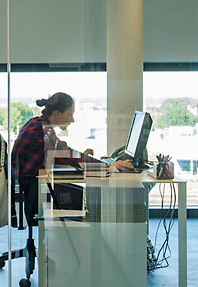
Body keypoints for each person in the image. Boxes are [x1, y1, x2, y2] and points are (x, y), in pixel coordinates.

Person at [11, 92, 132, 226]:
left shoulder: (36, 123)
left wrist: (81, 159)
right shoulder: (43, 130)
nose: (72, 120)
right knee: (83, 201)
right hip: (34, 189)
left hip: (32, 184)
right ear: (57, 114)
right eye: (70, 115)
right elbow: (64, 152)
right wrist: (107, 166)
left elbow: (57, 154)